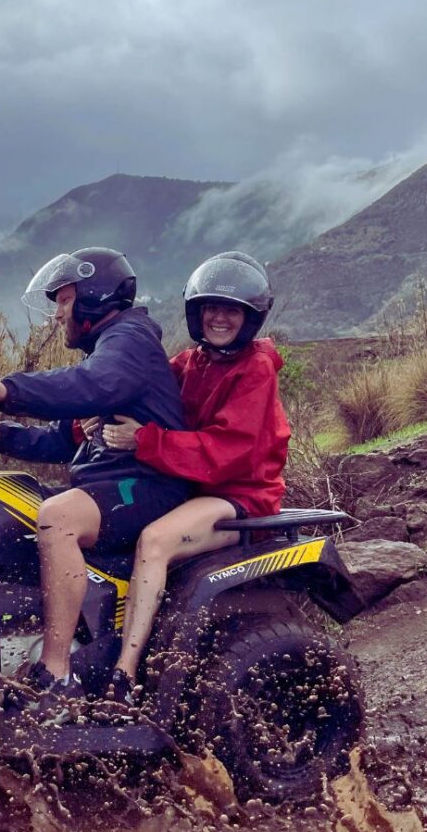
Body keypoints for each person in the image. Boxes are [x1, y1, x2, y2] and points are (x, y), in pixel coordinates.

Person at [0, 248, 190, 698]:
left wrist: (6, 389)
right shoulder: (109, 350)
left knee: (57, 516)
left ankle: (56, 674)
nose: (57, 314)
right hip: (112, 484)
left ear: (95, 297)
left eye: (64, 301)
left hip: (148, 486)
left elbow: (89, 385)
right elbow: (62, 442)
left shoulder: (129, 340)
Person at [96, 251, 291, 703]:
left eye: (232, 309)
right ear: (196, 312)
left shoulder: (255, 369)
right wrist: (88, 421)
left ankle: (124, 678)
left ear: (250, 317)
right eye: (211, 307)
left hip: (238, 492)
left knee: (155, 541)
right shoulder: (191, 363)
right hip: (190, 485)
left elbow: (227, 452)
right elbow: (142, 398)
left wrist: (144, 441)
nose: (220, 318)